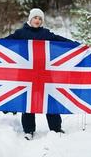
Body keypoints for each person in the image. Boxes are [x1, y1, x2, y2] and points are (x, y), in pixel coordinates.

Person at [6, 8, 73, 140]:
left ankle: (56, 128)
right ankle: (29, 130)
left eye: (40, 19)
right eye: (35, 18)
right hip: (26, 74)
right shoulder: (21, 33)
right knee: (28, 103)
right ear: (30, 19)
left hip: (44, 74)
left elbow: (60, 40)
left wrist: (76, 45)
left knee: (50, 101)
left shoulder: (45, 34)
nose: (37, 20)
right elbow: (5, 42)